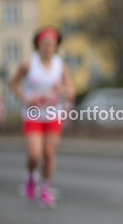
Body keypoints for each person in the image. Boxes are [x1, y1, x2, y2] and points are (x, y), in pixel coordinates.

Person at [9, 27, 75, 208]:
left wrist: (64, 91)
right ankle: (30, 176)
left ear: (56, 46)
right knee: (34, 154)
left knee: (49, 154)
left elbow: (71, 91)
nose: (48, 47)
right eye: (44, 43)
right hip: (33, 115)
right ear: (38, 45)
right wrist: (25, 99)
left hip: (53, 114)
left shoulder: (60, 66)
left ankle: (45, 188)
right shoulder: (29, 64)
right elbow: (13, 83)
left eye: (51, 44)